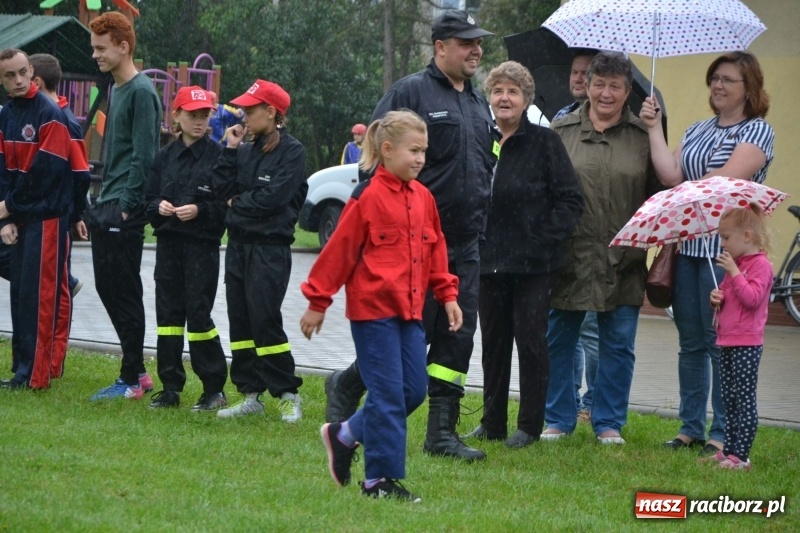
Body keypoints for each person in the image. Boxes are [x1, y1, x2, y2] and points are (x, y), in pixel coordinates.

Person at [324, 9, 497, 462]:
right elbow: (373, 164)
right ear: (440, 47)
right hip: (412, 249)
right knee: (405, 336)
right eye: (465, 42)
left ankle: (441, 433)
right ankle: (346, 383)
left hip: (466, 245)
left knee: (457, 337)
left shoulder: (479, 103)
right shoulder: (411, 92)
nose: (475, 50)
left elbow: (483, 168)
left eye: (478, 42)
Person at [304, 110, 462, 502]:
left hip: (410, 313)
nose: (421, 159)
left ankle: (345, 435)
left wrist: (448, 295)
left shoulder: (424, 198)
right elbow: (338, 252)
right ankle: (379, 481)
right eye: (414, 150)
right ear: (387, 150)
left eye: (424, 151)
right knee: (389, 394)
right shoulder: (367, 198)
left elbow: (437, 248)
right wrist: (317, 301)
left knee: (413, 390)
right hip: (373, 314)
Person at [640, 51, 774, 455]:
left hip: (728, 255)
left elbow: (726, 179)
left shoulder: (758, 132)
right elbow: (670, 175)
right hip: (689, 250)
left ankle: (723, 432)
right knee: (692, 341)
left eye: (728, 79)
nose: (718, 85)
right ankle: (690, 427)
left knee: (722, 342)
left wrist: (685, 190)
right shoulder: (698, 129)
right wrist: (653, 128)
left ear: (748, 88)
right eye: (714, 78)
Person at [543, 52, 674, 445]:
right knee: (559, 339)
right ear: (588, 84)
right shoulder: (560, 130)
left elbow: (661, 193)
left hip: (624, 256)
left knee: (618, 345)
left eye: (615, 86)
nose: (605, 92)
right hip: (568, 254)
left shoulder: (642, 135)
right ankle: (557, 419)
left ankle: (609, 422)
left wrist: (656, 130)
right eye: (599, 83)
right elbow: (544, 189)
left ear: (628, 90)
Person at [461, 61, 584, 449]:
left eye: (513, 91)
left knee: (531, 343)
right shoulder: (480, 138)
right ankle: (492, 422)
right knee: (494, 345)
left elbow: (571, 200)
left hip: (534, 265)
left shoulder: (545, 142)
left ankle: (530, 425)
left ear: (526, 99)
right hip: (487, 261)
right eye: (498, 90)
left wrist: (541, 239)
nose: (504, 97)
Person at [211, 79, 306, 422]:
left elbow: (275, 199)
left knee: (265, 319)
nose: (243, 115)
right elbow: (220, 190)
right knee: (241, 319)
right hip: (238, 247)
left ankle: (287, 393)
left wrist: (239, 202)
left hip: (270, 249)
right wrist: (230, 150)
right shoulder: (244, 148)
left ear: (271, 112)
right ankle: (250, 393)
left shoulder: (293, 152)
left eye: (250, 110)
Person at [87, 12, 163, 401]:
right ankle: (136, 371)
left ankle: (132, 378)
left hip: (124, 208)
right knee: (107, 286)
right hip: (108, 201)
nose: (96, 55)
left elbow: (145, 156)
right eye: (94, 48)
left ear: (123, 46)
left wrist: (127, 206)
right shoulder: (117, 89)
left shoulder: (141, 91)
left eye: (101, 48)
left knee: (125, 291)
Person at [144, 86, 229, 411]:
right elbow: (148, 199)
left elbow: (224, 205)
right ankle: (170, 388)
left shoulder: (219, 157)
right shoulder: (164, 156)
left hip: (201, 248)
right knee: (167, 317)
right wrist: (159, 206)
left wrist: (200, 210)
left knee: (198, 314)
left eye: (205, 115)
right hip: (168, 246)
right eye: (192, 115)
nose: (199, 121)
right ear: (176, 116)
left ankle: (213, 389)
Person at [0, 49, 77, 390]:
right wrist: (6, 218)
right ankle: (21, 369)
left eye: (22, 73)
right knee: (20, 294)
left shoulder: (49, 114)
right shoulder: (7, 114)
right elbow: (3, 169)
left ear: (32, 71)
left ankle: (36, 375)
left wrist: (10, 207)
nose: (18, 80)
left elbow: (45, 173)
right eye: (9, 76)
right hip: (21, 216)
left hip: (46, 218)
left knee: (40, 297)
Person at [26, 53, 92, 380]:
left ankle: (51, 363)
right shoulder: (36, 115)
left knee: (57, 288)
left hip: (58, 215)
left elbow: (81, 174)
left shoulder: (65, 120)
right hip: (38, 215)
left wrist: (78, 214)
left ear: (35, 81)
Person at [550, 48, 601, 423]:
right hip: (564, 237)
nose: (578, 78)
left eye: (586, 73)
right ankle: (567, 400)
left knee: (592, 331)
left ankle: (593, 402)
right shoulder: (559, 118)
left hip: (598, 239)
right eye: (574, 71)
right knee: (565, 328)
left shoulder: (615, 121)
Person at [706, 204, 772, 470]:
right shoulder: (737, 265)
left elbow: (753, 299)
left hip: (747, 342)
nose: (722, 243)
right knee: (728, 398)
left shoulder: (761, 266)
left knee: (743, 399)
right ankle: (728, 450)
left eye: (726, 237)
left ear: (747, 236)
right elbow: (729, 295)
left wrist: (734, 272)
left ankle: (741, 456)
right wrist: (717, 298)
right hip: (727, 339)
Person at [552, 48, 597, 121]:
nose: (577, 79)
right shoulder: (562, 115)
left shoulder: (606, 119)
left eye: (584, 73)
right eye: (574, 72)